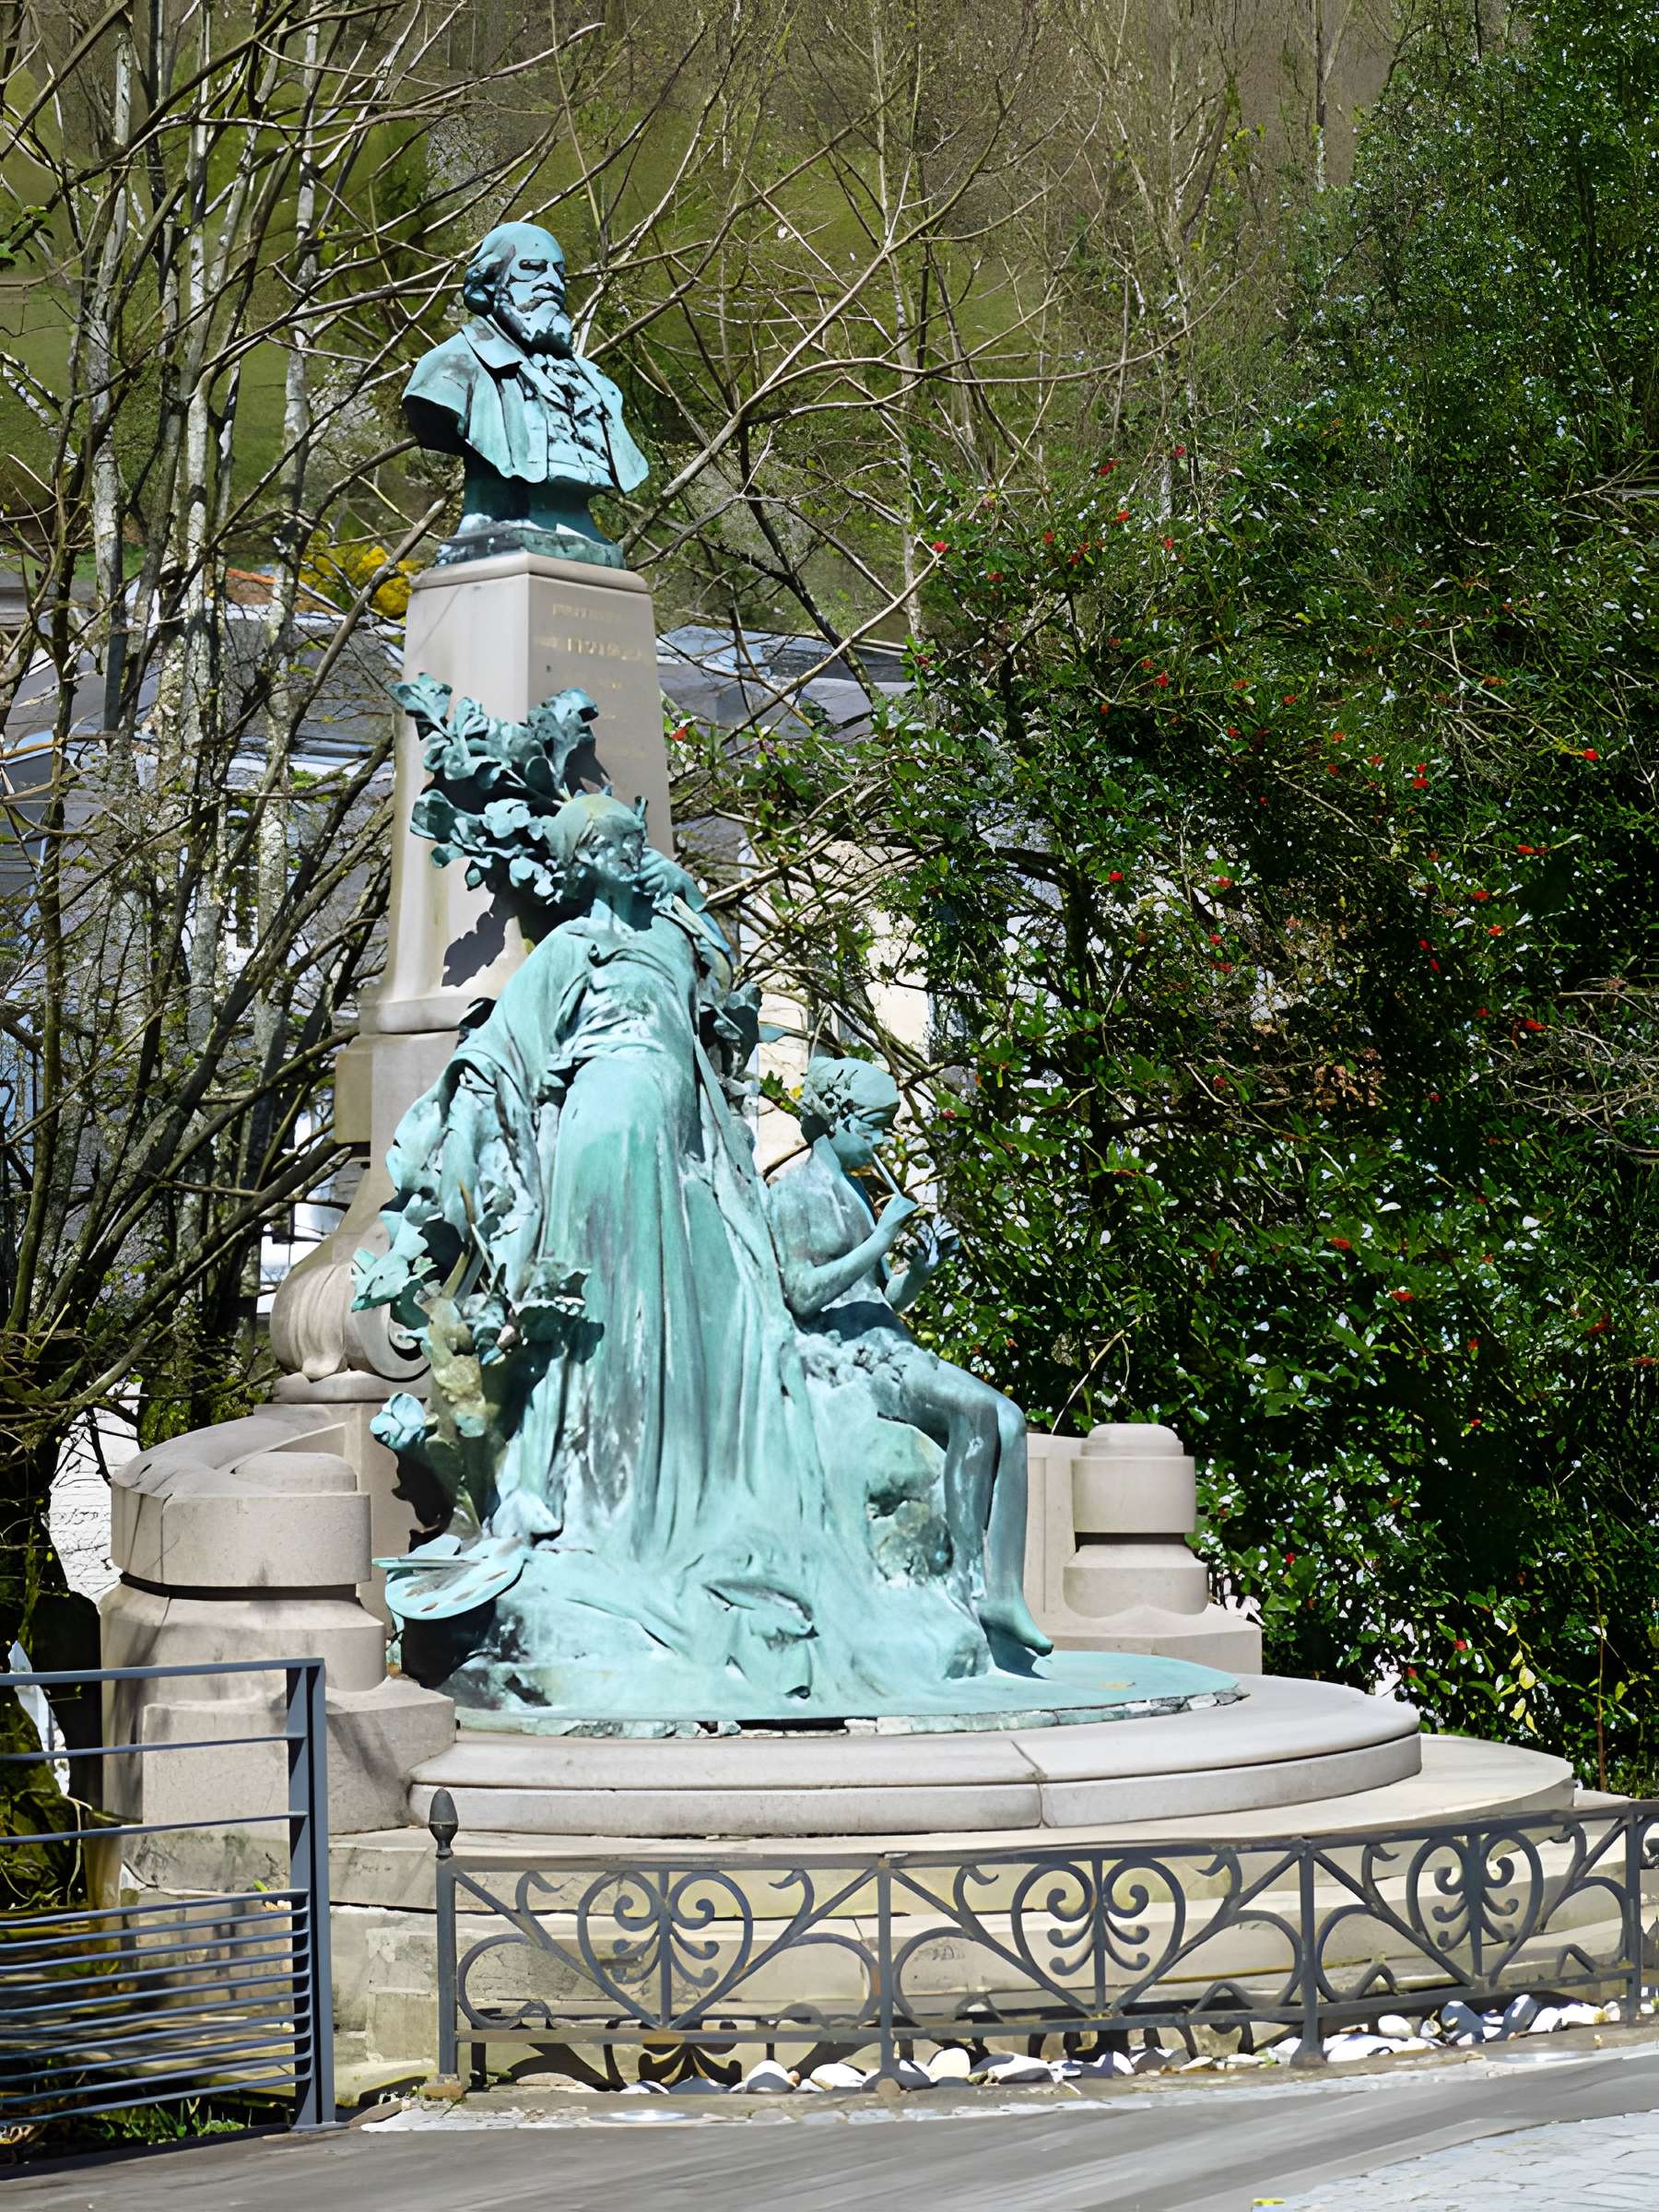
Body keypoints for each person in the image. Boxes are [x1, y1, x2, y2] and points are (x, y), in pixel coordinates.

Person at [766, 1057, 1053, 1659]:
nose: (881, 1138)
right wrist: (882, 1238)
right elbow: (801, 1292)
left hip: (889, 1338)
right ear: (837, 1117)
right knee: (976, 1412)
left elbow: (882, 1294)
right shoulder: (792, 1194)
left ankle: (1004, 1590)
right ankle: (969, 1583)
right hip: (850, 1356)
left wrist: (919, 1268)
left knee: (1011, 1419)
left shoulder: (857, 1195)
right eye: (873, 1125)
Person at [403, 221, 648, 560]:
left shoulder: (598, 384)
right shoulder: (450, 369)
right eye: (531, 269)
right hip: (496, 544)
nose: (551, 283)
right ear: (490, 281)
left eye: (558, 273)